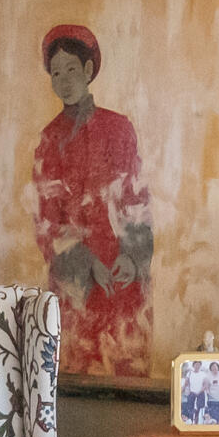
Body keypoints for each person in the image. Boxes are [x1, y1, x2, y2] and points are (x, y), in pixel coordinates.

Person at [29, 22, 153, 377]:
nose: (64, 79)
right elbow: (46, 220)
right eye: (56, 72)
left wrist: (132, 258)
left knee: (127, 365)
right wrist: (86, 263)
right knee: (76, 367)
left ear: (87, 70)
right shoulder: (50, 139)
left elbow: (136, 199)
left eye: (71, 69)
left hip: (121, 277)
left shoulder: (118, 128)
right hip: (75, 286)